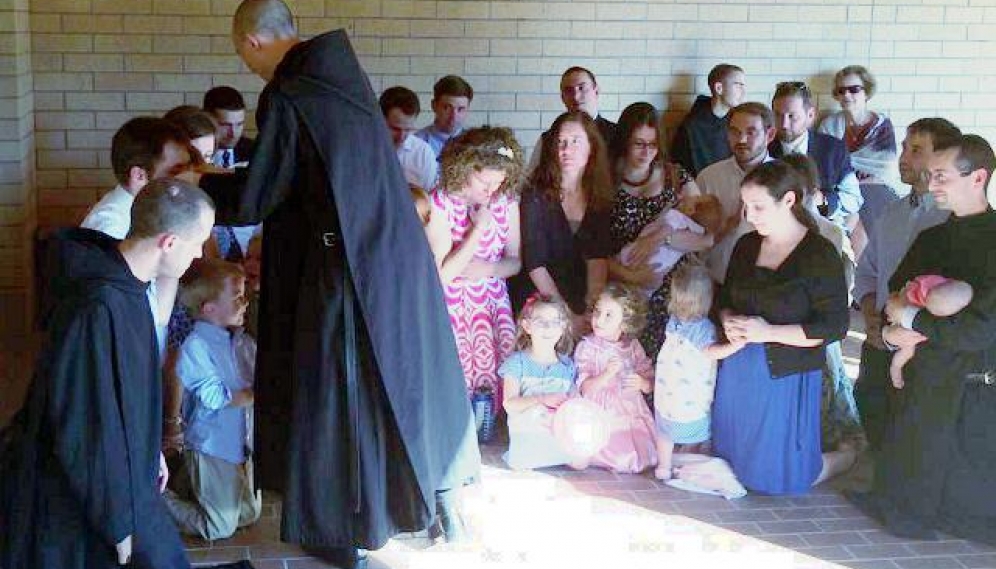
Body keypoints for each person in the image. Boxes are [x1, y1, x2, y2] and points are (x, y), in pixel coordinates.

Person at [184, 1, 480, 564]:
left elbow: (258, 195)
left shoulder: (290, 91)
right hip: (392, 262)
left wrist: (199, 182)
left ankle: (343, 529)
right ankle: (440, 502)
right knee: (407, 378)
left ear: (250, 43)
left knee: (336, 395)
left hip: (342, 274)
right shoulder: (343, 77)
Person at [0, 178, 214, 569]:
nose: (200, 253)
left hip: (127, 478)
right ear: (168, 242)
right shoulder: (98, 306)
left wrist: (151, 451)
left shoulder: (127, 284)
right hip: (87, 499)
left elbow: (128, 393)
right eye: (197, 241)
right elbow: (84, 421)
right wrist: (116, 522)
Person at [852, 134, 996, 544]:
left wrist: (915, 317)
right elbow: (896, 292)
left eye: (941, 176)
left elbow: (982, 326)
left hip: (971, 382)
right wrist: (903, 319)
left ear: (978, 177)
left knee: (965, 491)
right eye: (930, 176)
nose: (931, 185)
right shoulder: (933, 235)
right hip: (923, 374)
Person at [711, 161, 851, 495]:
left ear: (788, 201)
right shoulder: (746, 246)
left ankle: (848, 456)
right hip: (739, 366)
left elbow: (834, 326)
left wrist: (768, 332)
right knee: (733, 466)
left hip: (786, 372)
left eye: (758, 207)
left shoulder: (818, 253)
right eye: (746, 206)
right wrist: (728, 318)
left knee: (782, 478)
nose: (749, 215)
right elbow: (726, 297)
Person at [851, 118, 959, 450]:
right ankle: (878, 488)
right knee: (872, 408)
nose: (903, 157)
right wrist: (870, 315)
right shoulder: (892, 212)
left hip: (925, 344)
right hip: (879, 335)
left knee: (914, 430)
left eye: (915, 150)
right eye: (903, 148)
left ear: (941, 159)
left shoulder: (953, 218)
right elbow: (867, 271)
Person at [425, 127, 524, 407]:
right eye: (484, 182)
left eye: (498, 183)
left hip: (492, 303)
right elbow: (443, 274)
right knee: (456, 380)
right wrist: (478, 229)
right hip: (454, 307)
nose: (491, 190)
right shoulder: (439, 203)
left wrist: (489, 271)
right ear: (463, 168)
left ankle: (489, 427)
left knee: (495, 382)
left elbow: (515, 262)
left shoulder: (506, 202)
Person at [163, 259, 262, 541]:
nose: (245, 303)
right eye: (237, 297)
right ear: (209, 308)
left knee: (249, 513)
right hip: (210, 445)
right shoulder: (196, 345)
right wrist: (256, 395)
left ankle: (189, 483)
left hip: (234, 443)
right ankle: (156, 499)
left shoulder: (237, 340)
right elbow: (215, 396)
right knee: (217, 527)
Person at [606, 102, 711, 355]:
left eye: (652, 145)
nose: (646, 152)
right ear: (624, 141)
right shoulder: (604, 179)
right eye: (638, 143)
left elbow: (707, 237)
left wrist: (660, 238)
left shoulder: (676, 177)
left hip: (671, 296)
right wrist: (631, 276)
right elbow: (591, 248)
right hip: (622, 290)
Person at [781, 153, 863, 456]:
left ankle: (828, 445)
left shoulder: (830, 232)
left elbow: (844, 282)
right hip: (786, 322)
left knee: (825, 386)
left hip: (817, 322)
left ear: (811, 192)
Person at [513, 111, 615, 325]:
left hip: (582, 293)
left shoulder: (601, 194)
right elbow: (535, 263)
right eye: (561, 142)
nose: (566, 150)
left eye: (576, 141)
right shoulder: (535, 193)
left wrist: (590, 309)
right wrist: (564, 315)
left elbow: (598, 258)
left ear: (592, 147)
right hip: (541, 296)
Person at [653, 263, 742, 481]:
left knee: (665, 433)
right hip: (689, 396)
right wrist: (735, 346)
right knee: (695, 432)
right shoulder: (703, 328)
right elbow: (711, 352)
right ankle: (686, 463)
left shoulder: (673, 322)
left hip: (666, 395)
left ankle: (663, 467)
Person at [574, 283, 657, 474]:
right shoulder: (588, 347)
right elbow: (585, 388)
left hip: (630, 409)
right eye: (597, 311)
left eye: (608, 315)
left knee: (642, 455)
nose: (599, 319)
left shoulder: (633, 346)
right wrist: (607, 374)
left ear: (625, 322)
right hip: (600, 413)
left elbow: (649, 381)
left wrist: (642, 383)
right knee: (616, 455)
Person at [769, 82, 863, 237]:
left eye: (792, 116)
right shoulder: (764, 149)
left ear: (811, 115)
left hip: (822, 231)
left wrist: (824, 200)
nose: (784, 124)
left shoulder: (833, 149)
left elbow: (854, 198)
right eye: (778, 115)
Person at [818, 65, 901, 240]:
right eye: (841, 91)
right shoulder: (829, 125)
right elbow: (825, 168)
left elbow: (886, 169)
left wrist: (853, 183)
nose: (847, 95)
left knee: (862, 212)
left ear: (866, 92)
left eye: (854, 89)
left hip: (875, 187)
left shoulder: (882, 125)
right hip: (840, 188)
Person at [696, 102, 777, 283]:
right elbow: (692, 239)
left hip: (768, 288)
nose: (741, 140)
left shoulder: (784, 180)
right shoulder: (708, 178)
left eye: (751, 132)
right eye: (734, 131)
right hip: (716, 283)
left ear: (769, 135)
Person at [500, 294, 580, 470]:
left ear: (563, 327)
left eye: (554, 322)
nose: (548, 327)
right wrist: (543, 399)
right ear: (527, 326)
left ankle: (560, 453)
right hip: (528, 440)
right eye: (540, 321)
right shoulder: (516, 363)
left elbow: (576, 402)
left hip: (558, 435)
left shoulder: (567, 365)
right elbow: (510, 404)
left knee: (581, 461)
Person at [888, 275, 973, 388]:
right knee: (907, 350)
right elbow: (906, 290)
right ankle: (895, 367)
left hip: (921, 327)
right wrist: (901, 304)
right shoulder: (925, 286)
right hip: (905, 319)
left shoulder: (954, 298)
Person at [671, 64, 746, 177]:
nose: (743, 92)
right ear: (719, 88)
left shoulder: (737, 121)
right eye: (738, 85)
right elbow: (679, 167)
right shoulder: (692, 126)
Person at [380, 85, 439, 190]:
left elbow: (427, 198)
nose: (402, 137)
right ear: (380, 119)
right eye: (395, 129)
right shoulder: (365, 150)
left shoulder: (423, 153)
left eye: (408, 129)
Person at [415, 74, 474, 156]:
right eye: (447, 108)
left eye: (460, 109)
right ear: (434, 106)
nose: (454, 116)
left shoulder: (476, 145)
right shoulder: (416, 144)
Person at [203, 85, 254, 168]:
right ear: (206, 120)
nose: (233, 134)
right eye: (225, 125)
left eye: (239, 124)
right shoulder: (191, 152)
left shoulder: (256, 152)